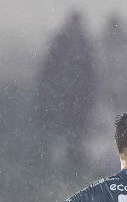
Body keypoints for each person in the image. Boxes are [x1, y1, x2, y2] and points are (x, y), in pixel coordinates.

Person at [35, 12, 97, 168]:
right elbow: (48, 72)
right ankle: (58, 165)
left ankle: (73, 164)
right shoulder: (61, 44)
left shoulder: (83, 45)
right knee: (61, 134)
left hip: (78, 98)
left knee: (76, 135)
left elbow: (91, 74)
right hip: (63, 98)